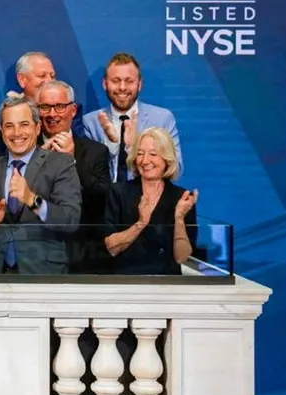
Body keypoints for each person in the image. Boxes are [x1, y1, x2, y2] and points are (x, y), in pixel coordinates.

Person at [0, 96, 82, 274]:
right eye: (9, 126)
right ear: (1, 130)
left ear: (37, 127)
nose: (17, 133)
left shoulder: (60, 164)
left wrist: (32, 200)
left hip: (43, 272)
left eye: (24, 124)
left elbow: (70, 220)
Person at [35, 80, 110, 273]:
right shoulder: (27, 149)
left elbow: (101, 202)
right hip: (34, 251)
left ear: (73, 110)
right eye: (45, 107)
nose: (52, 114)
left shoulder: (96, 152)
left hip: (81, 254)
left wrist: (71, 161)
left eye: (60, 107)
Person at [103, 126, 197, 275]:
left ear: (167, 159)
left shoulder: (181, 198)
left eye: (153, 154)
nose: (145, 160)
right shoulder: (119, 192)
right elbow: (111, 248)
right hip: (126, 280)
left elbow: (182, 257)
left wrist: (179, 218)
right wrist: (141, 223)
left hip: (166, 281)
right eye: (140, 154)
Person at [82, 52, 184, 182]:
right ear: (105, 84)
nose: (122, 87)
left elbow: (176, 169)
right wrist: (112, 146)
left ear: (139, 84)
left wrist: (132, 150)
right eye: (116, 81)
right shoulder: (91, 122)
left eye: (129, 81)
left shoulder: (162, 119)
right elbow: (88, 176)